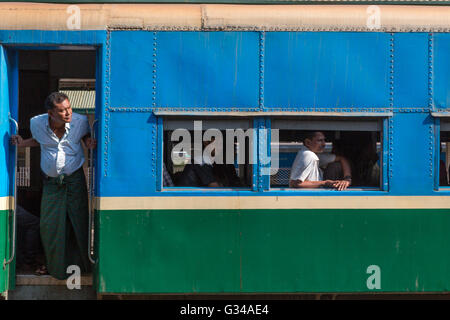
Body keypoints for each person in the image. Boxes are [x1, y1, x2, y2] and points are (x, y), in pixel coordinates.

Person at [11, 92, 96, 280]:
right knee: (49, 226)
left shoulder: (80, 121)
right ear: (50, 113)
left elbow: (84, 136)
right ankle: (55, 267)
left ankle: (83, 266)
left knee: (78, 222)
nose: (68, 113)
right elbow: (39, 140)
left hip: (74, 179)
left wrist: (88, 142)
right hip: (51, 183)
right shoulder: (36, 123)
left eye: (69, 108)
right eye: (62, 110)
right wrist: (22, 143)